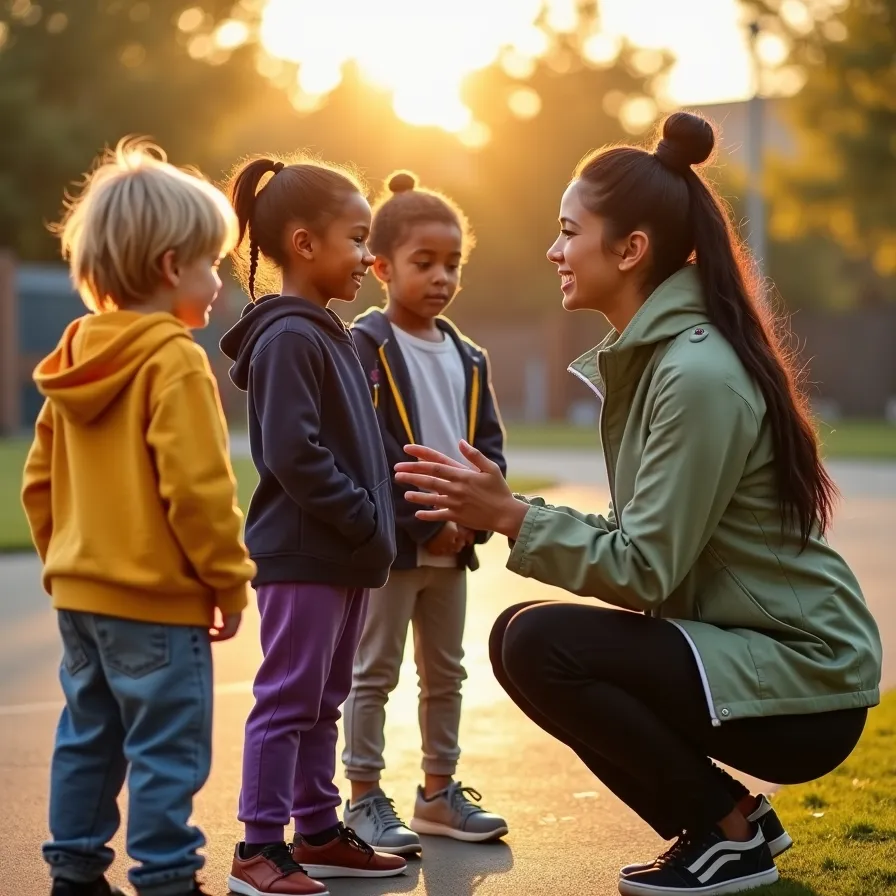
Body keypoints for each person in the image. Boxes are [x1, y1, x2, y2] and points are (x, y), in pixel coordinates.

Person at [393, 111, 883, 896]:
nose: (553, 250)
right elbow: (644, 542)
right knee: (522, 633)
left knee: (537, 644)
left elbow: (646, 569)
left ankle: (725, 833)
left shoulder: (695, 375)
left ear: (630, 249)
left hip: (806, 681)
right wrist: (505, 507)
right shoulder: (664, 363)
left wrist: (510, 515)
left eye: (567, 232)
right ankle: (729, 824)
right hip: (754, 657)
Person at [22, 139, 257, 896]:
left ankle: (75, 872)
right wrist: (228, 582)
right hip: (157, 602)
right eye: (209, 264)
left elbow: (39, 483)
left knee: (88, 738)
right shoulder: (174, 358)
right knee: (167, 746)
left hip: (81, 597)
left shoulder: (74, 356)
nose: (217, 281)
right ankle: (165, 880)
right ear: (168, 266)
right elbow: (197, 490)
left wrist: (68, 559)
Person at [219, 154, 407, 896]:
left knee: (324, 701)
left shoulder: (329, 332)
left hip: (344, 556)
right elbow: (293, 453)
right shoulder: (290, 337)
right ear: (304, 244)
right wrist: (363, 518)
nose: (368, 256)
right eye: (358, 239)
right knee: (289, 700)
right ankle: (258, 848)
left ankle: (319, 831)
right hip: (305, 556)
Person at [342, 171, 509, 854]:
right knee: (373, 671)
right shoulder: (367, 344)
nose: (441, 277)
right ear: (381, 266)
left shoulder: (470, 355)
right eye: (424, 262)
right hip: (395, 548)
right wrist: (426, 520)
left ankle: (438, 793)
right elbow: (370, 451)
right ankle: (362, 799)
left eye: (453, 264)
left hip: (455, 546)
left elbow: (490, 444)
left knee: (447, 673)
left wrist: (478, 514)